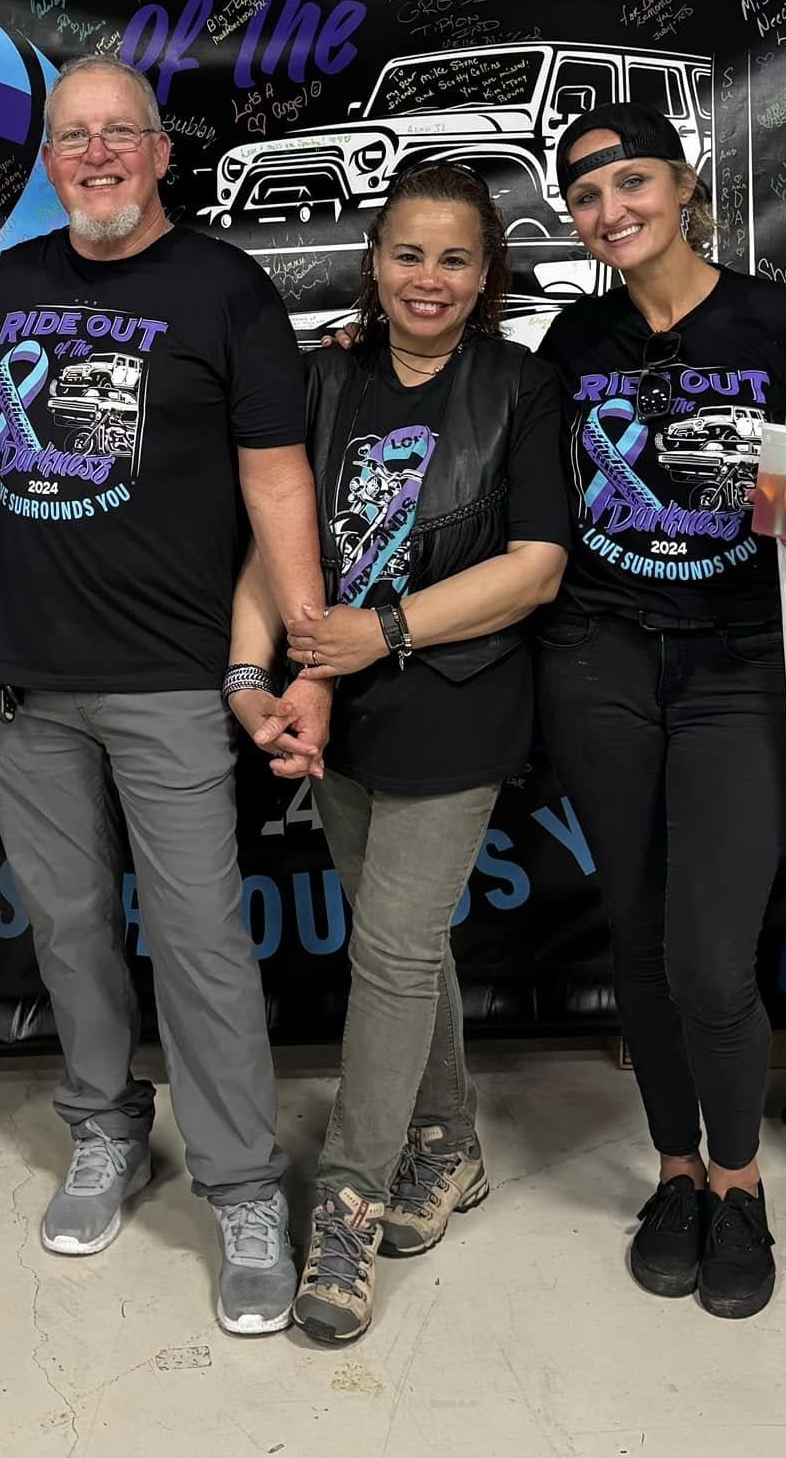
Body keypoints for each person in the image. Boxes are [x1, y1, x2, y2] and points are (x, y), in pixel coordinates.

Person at [0, 54, 331, 1336]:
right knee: (66, 932)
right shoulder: (9, 282)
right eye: (74, 136)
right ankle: (105, 1130)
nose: (98, 154)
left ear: (163, 153)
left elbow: (279, 484)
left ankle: (237, 1185)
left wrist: (300, 652)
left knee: (201, 943)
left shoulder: (224, 289)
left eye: (122, 133)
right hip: (16, 683)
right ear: (48, 158)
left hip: (170, 684)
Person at [228, 164, 568, 1345]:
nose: (429, 280)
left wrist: (386, 629)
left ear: (489, 276)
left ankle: (347, 1205)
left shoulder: (520, 388)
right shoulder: (320, 380)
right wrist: (258, 670)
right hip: (338, 709)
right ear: (374, 262)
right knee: (404, 946)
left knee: (387, 950)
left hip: (453, 701)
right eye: (408, 255)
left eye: (456, 259)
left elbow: (534, 566)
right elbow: (271, 545)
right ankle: (453, 1145)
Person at [533, 101, 786, 1320]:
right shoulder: (571, 339)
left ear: (680, 185)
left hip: (733, 665)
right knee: (634, 934)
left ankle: (737, 1184)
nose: (608, 209)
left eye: (627, 182)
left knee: (710, 959)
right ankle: (672, 1168)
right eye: (582, 195)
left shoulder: (778, 317)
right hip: (599, 661)